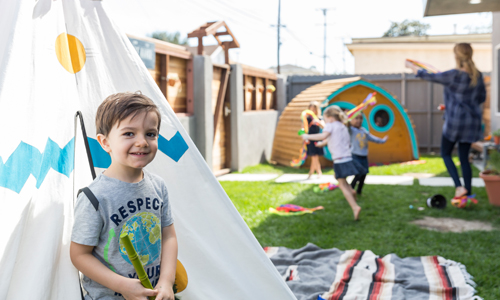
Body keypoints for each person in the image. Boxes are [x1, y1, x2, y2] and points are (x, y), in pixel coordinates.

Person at [70, 92, 178, 300]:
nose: (142, 142)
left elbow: (169, 236)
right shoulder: (94, 197)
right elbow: (79, 255)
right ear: (105, 142)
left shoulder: (158, 186)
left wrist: (166, 281)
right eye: (129, 133)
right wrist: (123, 286)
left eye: (150, 134)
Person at [406, 43, 486, 198]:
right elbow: (481, 98)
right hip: (470, 124)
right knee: (464, 157)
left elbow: (428, 75)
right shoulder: (478, 76)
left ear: (456, 56)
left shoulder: (454, 75)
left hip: (455, 123)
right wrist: (451, 105)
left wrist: (410, 65)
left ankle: (458, 187)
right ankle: (468, 193)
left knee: (446, 153)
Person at [302, 105, 367, 220]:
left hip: (339, 160)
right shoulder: (342, 126)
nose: (325, 122)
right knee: (341, 180)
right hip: (348, 158)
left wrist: (307, 136)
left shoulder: (330, 126)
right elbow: (332, 139)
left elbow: (323, 136)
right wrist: (322, 144)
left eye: (325, 119)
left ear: (330, 118)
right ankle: (352, 191)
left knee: (341, 184)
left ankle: (355, 207)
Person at [349, 114, 388, 195]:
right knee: (359, 173)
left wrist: (383, 140)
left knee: (364, 174)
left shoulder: (363, 131)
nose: (359, 120)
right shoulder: (351, 130)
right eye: (356, 118)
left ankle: (359, 191)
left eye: (360, 118)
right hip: (355, 156)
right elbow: (345, 125)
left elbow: (372, 138)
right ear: (351, 120)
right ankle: (350, 190)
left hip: (364, 156)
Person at [306, 101, 325, 179]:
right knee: (314, 157)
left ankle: (313, 173)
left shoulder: (319, 118)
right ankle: (317, 172)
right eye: (311, 109)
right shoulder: (307, 119)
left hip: (317, 139)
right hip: (310, 139)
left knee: (315, 157)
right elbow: (304, 128)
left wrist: (318, 122)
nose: (313, 111)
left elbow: (324, 127)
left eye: (314, 109)